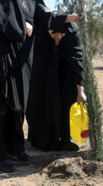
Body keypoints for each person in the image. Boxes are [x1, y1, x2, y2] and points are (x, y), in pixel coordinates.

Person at [0, 0, 81, 172]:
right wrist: (21, 24)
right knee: (0, 105)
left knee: (18, 105)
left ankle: (16, 147)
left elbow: (43, 15)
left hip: (22, 59)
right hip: (1, 60)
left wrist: (66, 18)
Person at [26, 19, 86, 152]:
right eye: (54, 34)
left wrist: (80, 90)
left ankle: (65, 138)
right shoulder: (40, 32)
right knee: (45, 103)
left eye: (62, 35)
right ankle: (42, 138)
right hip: (44, 77)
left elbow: (77, 61)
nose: (58, 37)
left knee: (66, 103)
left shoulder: (71, 32)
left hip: (66, 75)